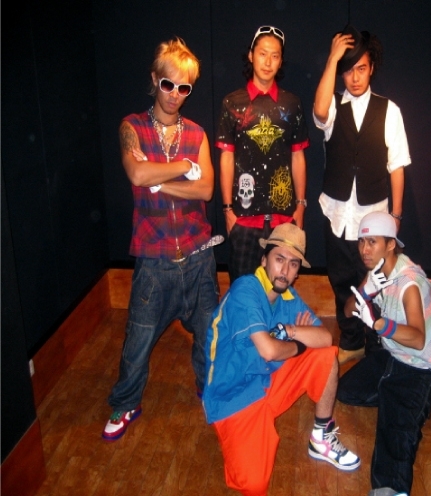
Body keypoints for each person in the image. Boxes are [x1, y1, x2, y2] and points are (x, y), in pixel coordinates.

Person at [102, 38, 219, 441]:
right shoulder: (131, 127)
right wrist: (183, 166)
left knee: (209, 336)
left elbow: (206, 189)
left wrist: (160, 180)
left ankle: (208, 389)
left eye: (184, 88)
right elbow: (136, 175)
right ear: (155, 80)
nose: (174, 94)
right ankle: (126, 402)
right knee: (137, 341)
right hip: (153, 260)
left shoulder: (198, 134)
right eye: (168, 84)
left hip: (199, 256)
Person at [203, 223, 360, 496]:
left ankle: (321, 436)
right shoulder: (245, 289)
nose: (285, 270)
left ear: (298, 271)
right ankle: (238, 437)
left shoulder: (289, 297)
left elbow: (325, 338)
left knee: (325, 357)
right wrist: (297, 345)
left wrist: (290, 330)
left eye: (293, 264)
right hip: (234, 397)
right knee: (254, 484)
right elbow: (268, 351)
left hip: (269, 380)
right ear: (264, 260)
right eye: (279, 259)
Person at [313, 25, 411, 364]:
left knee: (375, 284)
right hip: (337, 213)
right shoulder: (333, 106)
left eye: (362, 69)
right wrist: (332, 58)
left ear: (372, 69)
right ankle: (351, 340)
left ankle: (377, 348)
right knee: (341, 280)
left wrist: (396, 216)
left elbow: (397, 166)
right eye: (348, 70)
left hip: (374, 218)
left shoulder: (389, 110)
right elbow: (319, 111)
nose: (355, 78)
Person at [337, 211, 431, 496]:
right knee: (345, 391)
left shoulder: (408, 283)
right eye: (362, 242)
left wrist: (378, 324)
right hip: (394, 354)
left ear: (390, 245)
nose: (364, 250)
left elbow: (418, 339)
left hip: (421, 365)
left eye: (372, 242)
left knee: (395, 427)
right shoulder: (376, 272)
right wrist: (365, 291)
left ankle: (392, 486)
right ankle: (399, 399)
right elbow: (347, 310)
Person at [216, 25, 310, 284]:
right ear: (251, 55)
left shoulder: (292, 104)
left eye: (275, 56)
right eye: (262, 54)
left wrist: (300, 206)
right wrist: (227, 210)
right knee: (243, 287)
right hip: (244, 218)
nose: (268, 62)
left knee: (279, 288)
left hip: (285, 218)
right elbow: (226, 158)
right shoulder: (232, 103)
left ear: (281, 61)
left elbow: (298, 156)